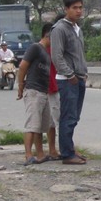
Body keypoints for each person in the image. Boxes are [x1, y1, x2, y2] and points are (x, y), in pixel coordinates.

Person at [50, 0, 88, 165]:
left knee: (75, 117)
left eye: (80, 7)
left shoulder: (77, 28)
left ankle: (70, 149)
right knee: (68, 116)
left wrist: (83, 73)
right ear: (66, 9)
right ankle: (66, 154)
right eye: (75, 8)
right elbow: (57, 56)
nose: (79, 11)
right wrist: (70, 75)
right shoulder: (59, 29)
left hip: (79, 78)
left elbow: (78, 55)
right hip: (67, 80)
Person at [16, 24, 54, 165]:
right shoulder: (35, 48)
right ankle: (28, 155)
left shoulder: (46, 52)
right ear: (48, 35)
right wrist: (20, 86)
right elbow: (22, 66)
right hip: (33, 91)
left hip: (44, 92)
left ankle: (40, 154)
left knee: (41, 126)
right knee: (32, 124)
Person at [44, 20, 62, 161]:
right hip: (52, 88)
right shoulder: (47, 50)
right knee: (58, 121)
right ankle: (64, 149)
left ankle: (52, 149)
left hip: (52, 88)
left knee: (51, 122)